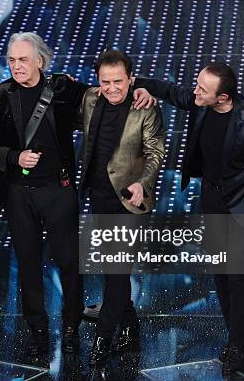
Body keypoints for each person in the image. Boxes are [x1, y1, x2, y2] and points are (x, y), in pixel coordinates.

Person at [133, 62, 244, 374]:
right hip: (211, 200)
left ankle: (240, 346)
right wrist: (136, 82)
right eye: (197, 85)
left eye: (202, 88)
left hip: (241, 207)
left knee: (238, 278)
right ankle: (234, 337)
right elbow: (173, 92)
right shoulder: (200, 103)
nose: (195, 91)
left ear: (223, 97)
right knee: (221, 275)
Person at [0, 32, 87, 357]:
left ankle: (71, 328)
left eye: (23, 59)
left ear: (40, 60)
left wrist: (143, 94)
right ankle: (37, 330)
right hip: (18, 194)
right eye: (11, 60)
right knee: (27, 264)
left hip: (59, 190)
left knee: (68, 262)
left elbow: (101, 97)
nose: (16, 66)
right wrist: (13, 158)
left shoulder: (63, 89)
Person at [80, 50, 165, 366]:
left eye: (119, 81)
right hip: (99, 199)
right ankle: (130, 327)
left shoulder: (145, 108)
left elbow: (156, 152)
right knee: (111, 270)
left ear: (131, 79)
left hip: (131, 202)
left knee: (115, 272)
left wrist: (143, 183)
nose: (112, 88)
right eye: (106, 82)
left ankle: (102, 340)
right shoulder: (90, 99)